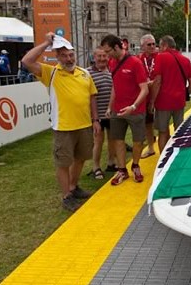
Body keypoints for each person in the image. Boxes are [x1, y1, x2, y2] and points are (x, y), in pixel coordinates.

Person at [21, 33, 99, 212]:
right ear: (57, 57)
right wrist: (47, 42)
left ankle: (73, 187)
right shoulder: (51, 72)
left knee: (81, 158)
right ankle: (66, 196)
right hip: (63, 127)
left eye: (71, 54)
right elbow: (26, 61)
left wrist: (95, 119)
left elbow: (92, 96)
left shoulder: (84, 73)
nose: (68, 58)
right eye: (64, 55)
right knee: (63, 163)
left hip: (84, 125)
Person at [100, 34, 149, 186]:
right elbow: (115, 86)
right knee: (118, 140)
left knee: (138, 141)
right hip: (118, 110)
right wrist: (110, 106)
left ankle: (135, 165)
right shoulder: (113, 63)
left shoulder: (135, 63)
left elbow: (144, 89)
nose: (106, 56)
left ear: (116, 47)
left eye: (108, 52)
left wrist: (133, 106)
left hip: (136, 110)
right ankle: (122, 169)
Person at [149, 35, 191, 153]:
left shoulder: (161, 57)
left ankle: (163, 159)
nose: (158, 48)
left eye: (159, 45)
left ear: (165, 45)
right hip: (179, 101)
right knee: (179, 130)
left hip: (163, 101)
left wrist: (152, 101)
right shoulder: (185, 60)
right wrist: (185, 94)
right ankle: (178, 156)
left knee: (163, 132)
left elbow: (158, 81)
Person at [87, 47, 116, 179]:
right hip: (96, 114)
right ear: (94, 57)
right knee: (98, 141)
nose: (102, 59)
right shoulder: (87, 73)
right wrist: (94, 118)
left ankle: (111, 163)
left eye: (104, 56)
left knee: (112, 140)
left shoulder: (112, 71)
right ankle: (96, 167)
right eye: (99, 56)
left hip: (111, 113)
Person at [138, 34, 159, 159]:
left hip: (159, 94)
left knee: (162, 123)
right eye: (149, 44)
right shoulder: (139, 59)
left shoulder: (160, 57)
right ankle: (151, 147)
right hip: (146, 95)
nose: (152, 46)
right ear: (142, 46)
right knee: (148, 123)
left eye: (153, 44)